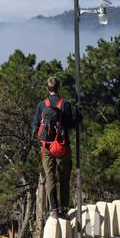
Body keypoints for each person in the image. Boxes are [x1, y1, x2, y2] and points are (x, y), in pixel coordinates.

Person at [32, 77, 81, 219]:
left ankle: (53, 209)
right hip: (61, 146)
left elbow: (35, 125)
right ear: (59, 88)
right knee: (64, 177)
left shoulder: (42, 105)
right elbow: (70, 125)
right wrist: (79, 118)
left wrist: (42, 140)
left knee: (50, 177)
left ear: (47, 89)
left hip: (46, 147)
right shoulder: (64, 104)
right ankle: (64, 208)